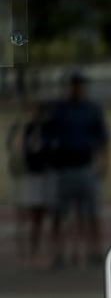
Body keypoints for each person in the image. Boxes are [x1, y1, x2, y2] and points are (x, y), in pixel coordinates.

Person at [49, 71, 109, 267]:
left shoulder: (91, 109)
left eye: (79, 85)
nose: (76, 89)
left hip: (85, 166)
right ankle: (59, 253)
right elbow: (49, 135)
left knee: (91, 213)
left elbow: (102, 138)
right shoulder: (59, 109)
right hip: (64, 168)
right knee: (59, 214)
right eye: (73, 85)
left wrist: (103, 163)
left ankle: (94, 250)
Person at [6, 100, 56, 268]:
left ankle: (38, 247)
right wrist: (22, 125)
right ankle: (25, 248)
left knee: (40, 214)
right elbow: (14, 147)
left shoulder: (47, 128)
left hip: (43, 175)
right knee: (25, 213)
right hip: (26, 176)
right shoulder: (21, 128)